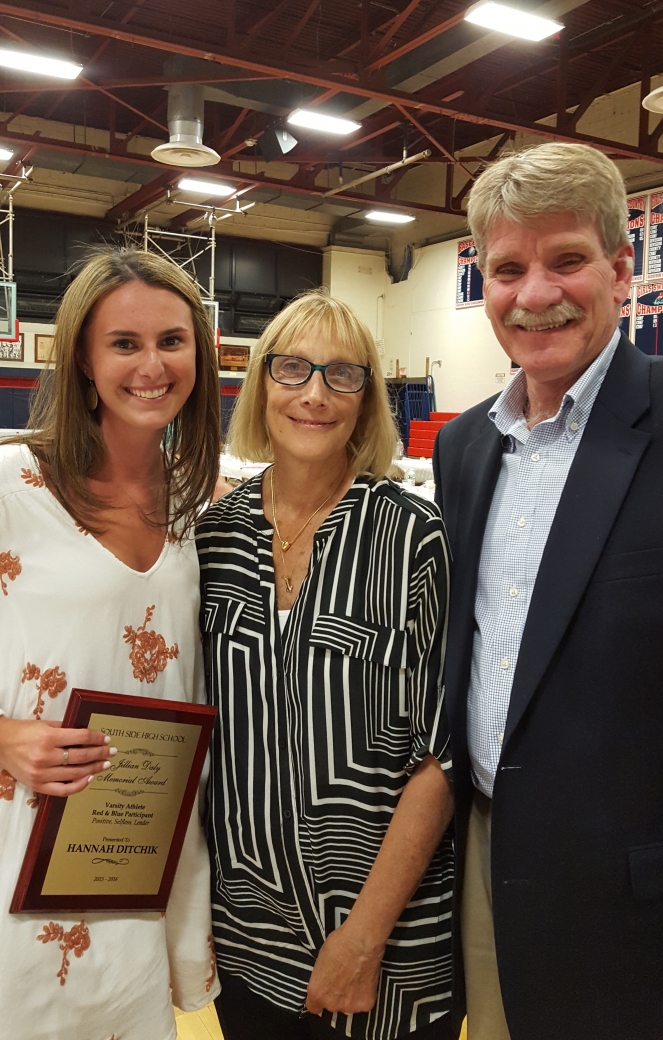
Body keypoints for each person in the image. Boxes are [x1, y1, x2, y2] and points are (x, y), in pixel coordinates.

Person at [433, 142, 663, 1040]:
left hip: (640, 899)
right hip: (488, 862)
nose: (535, 294)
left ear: (619, 269)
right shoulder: (463, 447)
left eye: (565, 259)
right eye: (507, 269)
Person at [196, 291, 454, 1040]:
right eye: (293, 369)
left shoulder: (411, 535)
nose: (314, 394)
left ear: (365, 399)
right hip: (246, 941)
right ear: (260, 385)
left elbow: (440, 754)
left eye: (342, 374)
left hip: (387, 954)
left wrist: (363, 939)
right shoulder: (215, 538)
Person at [0, 249, 222, 1040]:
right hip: (24, 838)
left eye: (171, 340)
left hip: (139, 847)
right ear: (84, 362)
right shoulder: (12, 487)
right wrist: (4, 737)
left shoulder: (198, 505)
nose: (152, 366)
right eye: (124, 343)